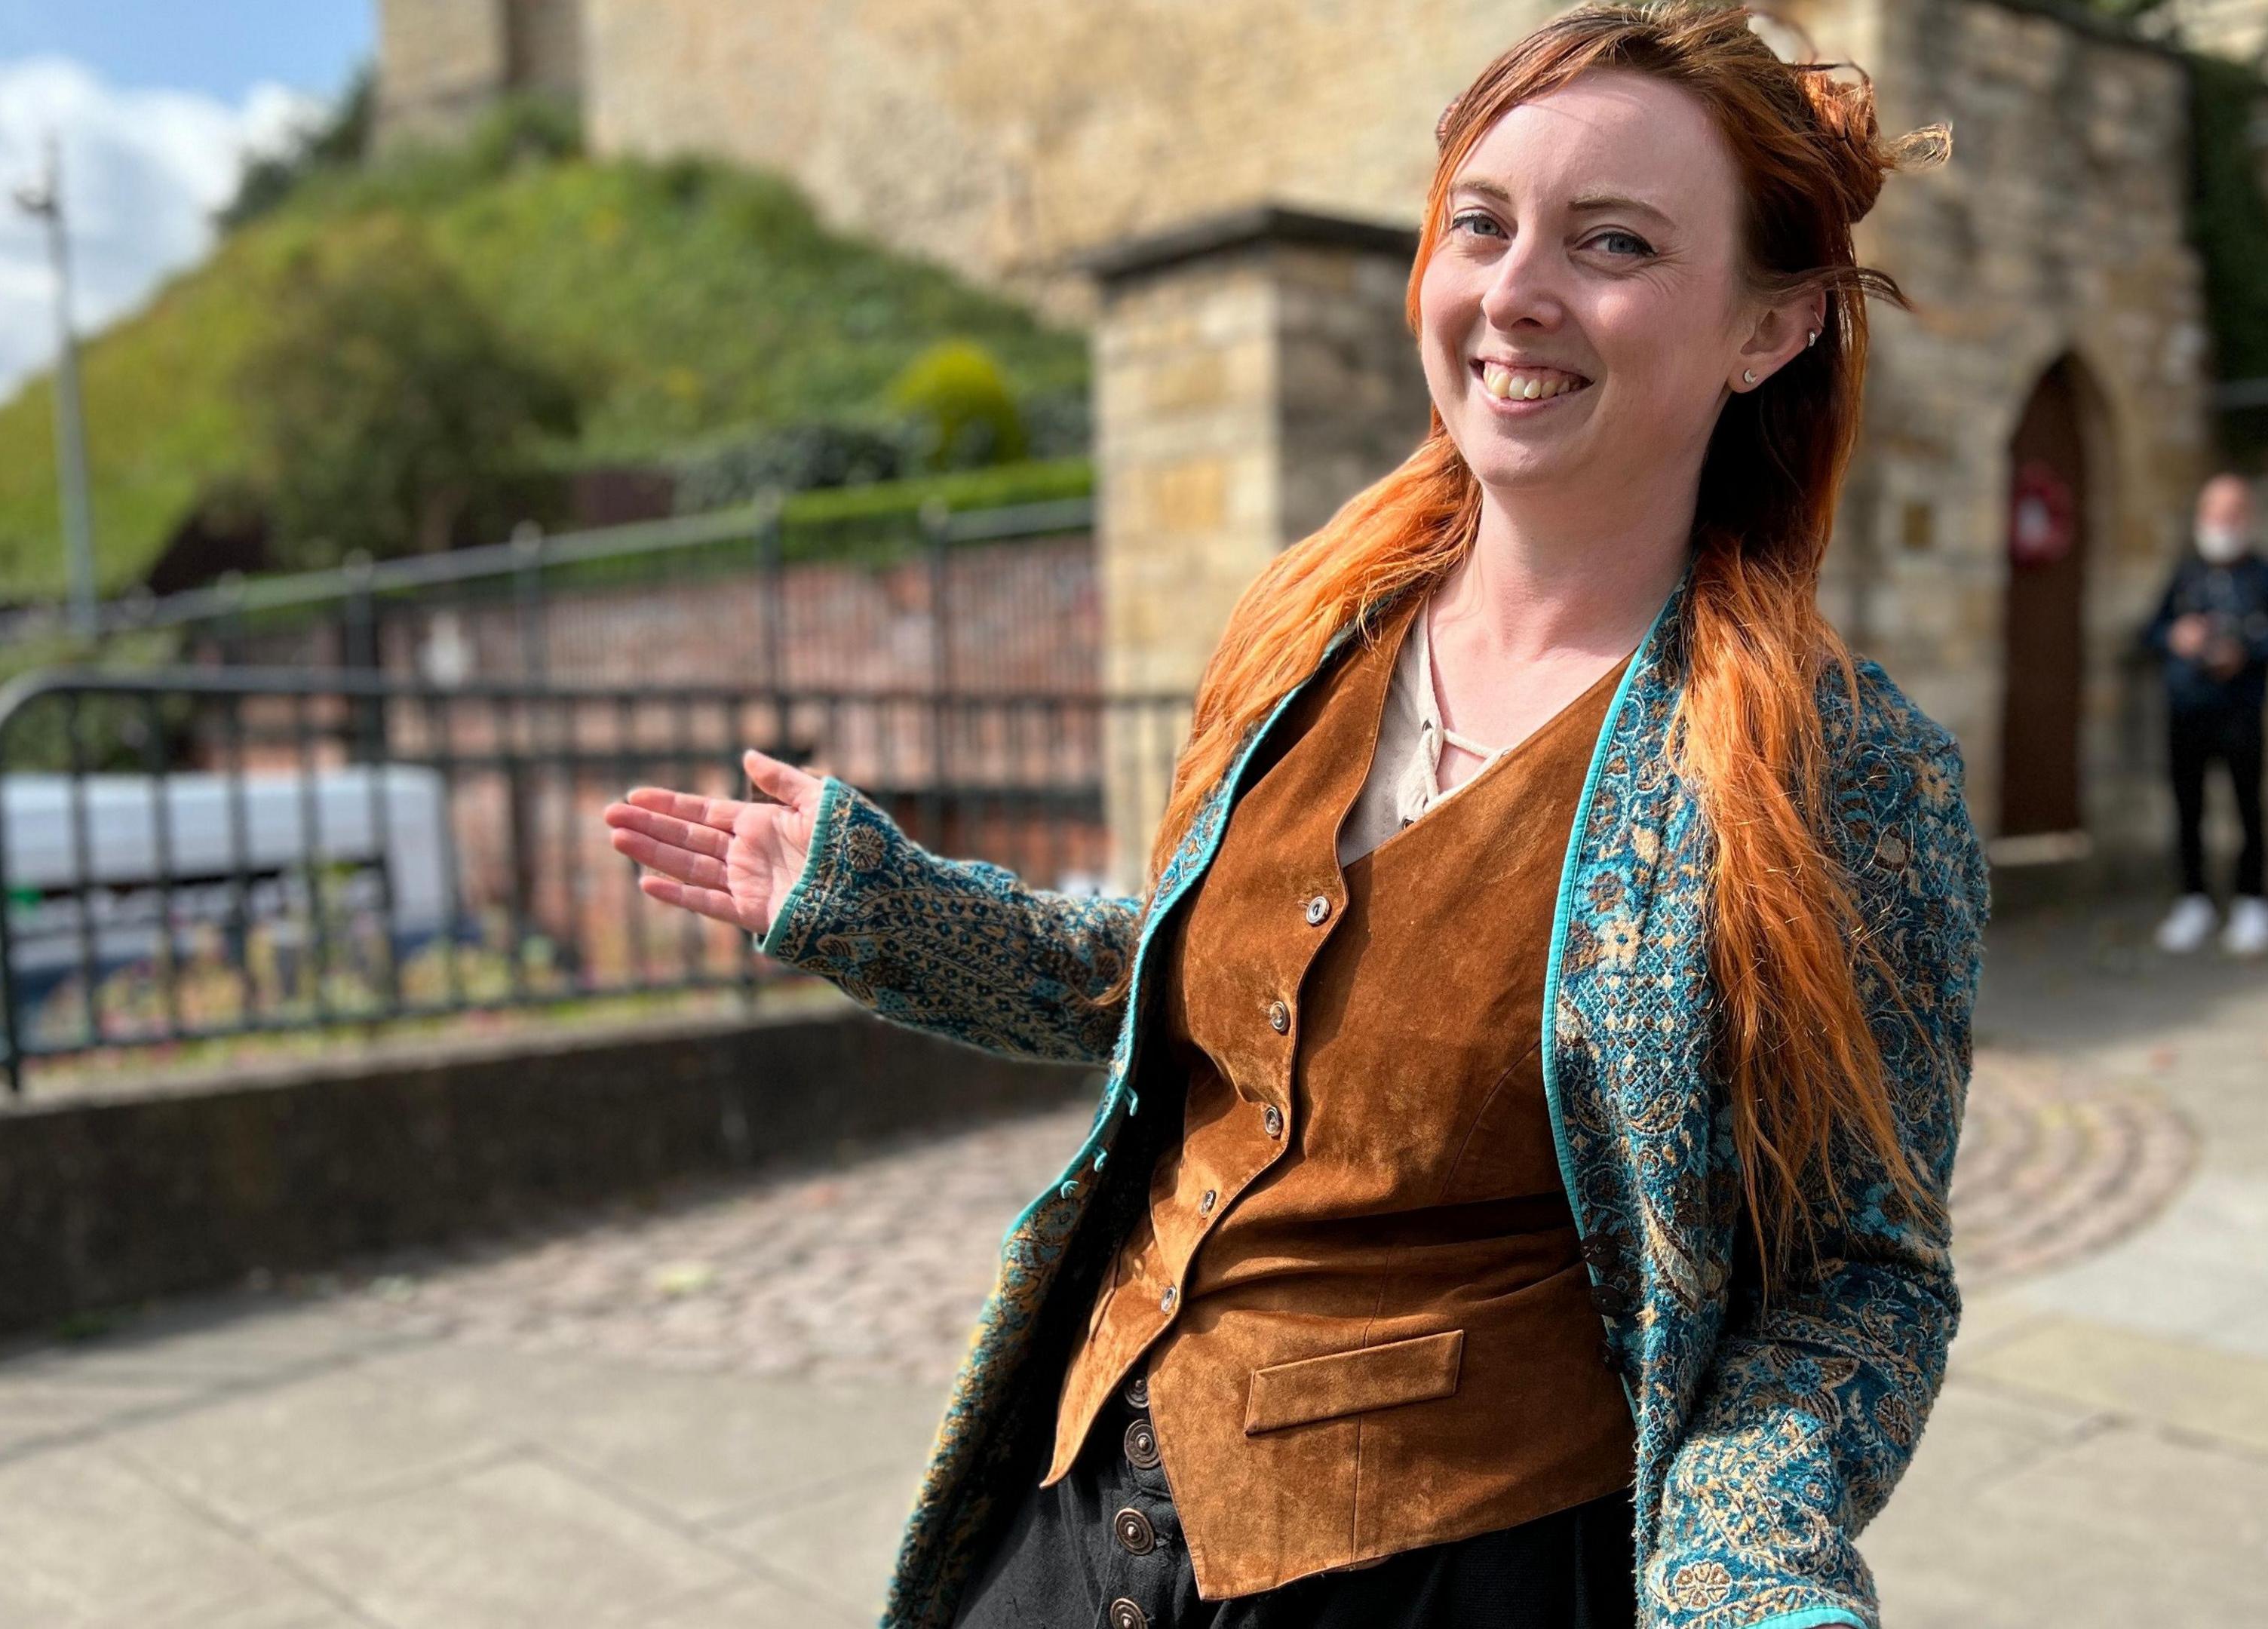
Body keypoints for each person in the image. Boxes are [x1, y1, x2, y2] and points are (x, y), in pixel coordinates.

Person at [604, 6, 1985, 1626]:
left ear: (1771, 327)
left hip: (1451, 1576)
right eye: (1482, 223)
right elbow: (1196, 991)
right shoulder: (1310, 630)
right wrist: (886, 907)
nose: (1515, 292)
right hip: (1080, 1512)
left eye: (1611, 243)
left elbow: (1854, 1281)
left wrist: (1752, 1569)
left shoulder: (1834, 773)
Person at [2143, 472, 2268, 958]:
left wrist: (2246, 651)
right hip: (2187, 710)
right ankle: (2193, 900)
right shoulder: (2186, 575)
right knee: (2187, 808)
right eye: (2213, 513)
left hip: (2242, 711)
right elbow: (2149, 632)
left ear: (2247, 519)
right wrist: (2178, 638)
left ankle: (2252, 902)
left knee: (2247, 808)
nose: (2221, 524)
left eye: (2231, 514)